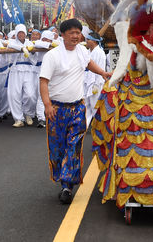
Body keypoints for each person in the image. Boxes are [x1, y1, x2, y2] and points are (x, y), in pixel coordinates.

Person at [39, 19, 111, 204]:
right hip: (56, 109)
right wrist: (47, 105)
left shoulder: (82, 51)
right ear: (62, 35)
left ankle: (67, 186)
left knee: (74, 146)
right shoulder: (53, 56)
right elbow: (43, 81)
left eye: (78, 32)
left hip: (77, 108)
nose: (75, 36)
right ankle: (63, 179)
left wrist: (102, 73)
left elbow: (88, 64)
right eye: (71, 32)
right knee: (58, 149)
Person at [7, 24, 37, 127]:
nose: (21, 35)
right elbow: (9, 52)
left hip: (28, 71)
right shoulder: (11, 43)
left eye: (22, 33)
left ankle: (28, 113)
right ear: (16, 33)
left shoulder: (30, 43)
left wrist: (31, 51)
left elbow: (34, 58)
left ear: (25, 34)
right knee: (14, 95)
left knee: (30, 95)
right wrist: (22, 48)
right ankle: (18, 119)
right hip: (15, 71)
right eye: (19, 33)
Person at [33, 30, 57, 128]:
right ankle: (41, 118)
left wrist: (52, 44)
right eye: (44, 39)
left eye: (48, 39)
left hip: (54, 72)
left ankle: (53, 117)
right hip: (41, 72)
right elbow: (39, 43)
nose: (45, 41)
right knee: (41, 95)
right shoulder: (37, 44)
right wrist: (48, 44)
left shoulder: (56, 45)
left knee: (54, 95)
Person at [83, 31, 106, 128]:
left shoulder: (100, 53)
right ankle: (85, 125)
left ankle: (98, 127)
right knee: (86, 105)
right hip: (86, 81)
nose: (86, 41)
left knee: (94, 105)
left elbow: (101, 69)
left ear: (94, 41)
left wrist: (97, 84)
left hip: (95, 82)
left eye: (88, 39)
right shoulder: (88, 51)